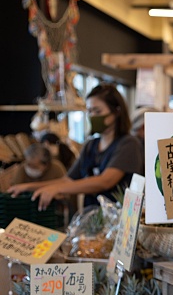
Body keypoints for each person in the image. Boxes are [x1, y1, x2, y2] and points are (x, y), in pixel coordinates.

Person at [9, 83, 143, 210]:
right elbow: (67, 180)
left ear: (116, 111)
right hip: (92, 221)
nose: (92, 116)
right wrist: (28, 187)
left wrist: (58, 189)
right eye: (89, 111)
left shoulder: (128, 144)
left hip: (119, 222)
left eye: (97, 111)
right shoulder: (91, 145)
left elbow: (105, 181)